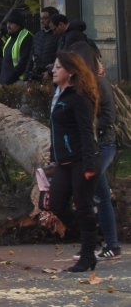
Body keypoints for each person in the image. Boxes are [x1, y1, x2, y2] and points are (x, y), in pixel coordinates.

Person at [67, 42, 122, 261]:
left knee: (94, 192)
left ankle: (107, 243)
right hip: (92, 144)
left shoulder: (98, 84)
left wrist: (88, 126)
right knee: (98, 194)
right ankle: (102, 243)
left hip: (103, 144)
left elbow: (107, 117)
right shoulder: (84, 84)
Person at [47, 50, 100, 272]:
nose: (53, 70)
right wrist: (53, 155)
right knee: (55, 204)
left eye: (58, 67)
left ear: (70, 72)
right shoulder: (57, 93)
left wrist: (89, 165)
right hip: (63, 161)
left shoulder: (78, 97)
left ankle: (88, 255)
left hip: (80, 160)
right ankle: (92, 235)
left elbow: (86, 132)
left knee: (84, 206)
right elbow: (56, 129)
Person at [0, 11, 33, 85]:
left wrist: (9, 78)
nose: (8, 25)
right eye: (8, 23)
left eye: (11, 23)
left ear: (19, 24)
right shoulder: (10, 38)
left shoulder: (26, 37)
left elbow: (24, 63)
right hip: (7, 82)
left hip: (17, 82)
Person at [30, 7, 59, 80]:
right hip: (37, 75)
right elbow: (31, 56)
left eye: (45, 18)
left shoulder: (58, 35)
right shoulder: (37, 35)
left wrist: (50, 72)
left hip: (51, 75)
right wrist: (27, 75)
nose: (42, 21)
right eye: (41, 18)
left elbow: (60, 58)